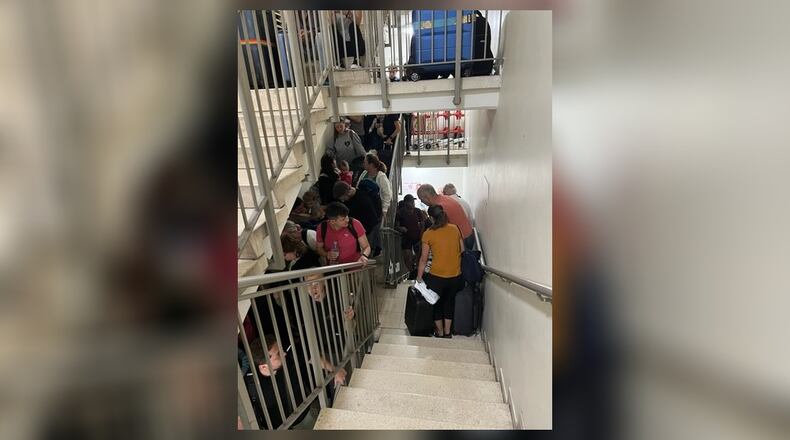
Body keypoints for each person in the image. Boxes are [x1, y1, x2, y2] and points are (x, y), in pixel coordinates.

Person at [416, 205, 465, 339]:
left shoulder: (428, 233)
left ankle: (440, 332)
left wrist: (419, 278)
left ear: (431, 218)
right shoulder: (455, 228)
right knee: (449, 302)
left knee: (436, 304)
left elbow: (423, 259)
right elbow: (462, 250)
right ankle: (448, 332)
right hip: (455, 276)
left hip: (437, 277)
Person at [247, 334, 312, 429]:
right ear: (264, 366)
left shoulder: (289, 355)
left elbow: (311, 357)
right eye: (278, 353)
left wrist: (335, 370)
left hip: (305, 415)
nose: (284, 353)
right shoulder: (250, 384)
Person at [416, 184, 474, 250]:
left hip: (462, 240)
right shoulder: (445, 198)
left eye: (421, 199)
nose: (422, 202)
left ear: (426, 197)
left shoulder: (440, 207)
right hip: (468, 235)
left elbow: (442, 231)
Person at [333, 180, 380, 247]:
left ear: (347, 193)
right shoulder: (349, 199)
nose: (342, 201)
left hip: (366, 232)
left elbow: (372, 220)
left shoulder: (364, 199)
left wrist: (360, 234)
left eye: (342, 198)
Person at [395, 194, 427, 277]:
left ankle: (417, 270)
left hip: (417, 237)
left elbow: (423, 223)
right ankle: (411, 272)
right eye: (411, 202)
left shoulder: (418, 211)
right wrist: (400, 228)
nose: (412, 203)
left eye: (413, 202)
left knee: (419, 255)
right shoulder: (400, 212)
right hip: (406, 238)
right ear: (406, 203)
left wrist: (422, 236)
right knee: (407, 256)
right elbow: (396, 226)